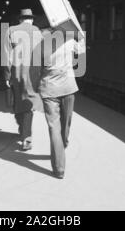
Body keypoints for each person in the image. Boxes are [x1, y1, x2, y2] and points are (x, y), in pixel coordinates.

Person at [39, 27, 85, 178]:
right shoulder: (69, 41)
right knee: (66, 123)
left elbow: (35, 69)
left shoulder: (41, 45)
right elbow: (81, 50)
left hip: (49, 89)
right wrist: (81, 34)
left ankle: (59, 167)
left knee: (54, 128)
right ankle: (62, 149)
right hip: (68, 88)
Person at [3, 9, 42, 151]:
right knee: (28, 103)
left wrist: (7, 76)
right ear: (31, 19)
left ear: (20, 19)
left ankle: (22, 129)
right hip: (33, 73)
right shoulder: (37, 31)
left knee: (18, 101)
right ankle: (26, 137)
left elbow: (6, 55)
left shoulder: (11, 30)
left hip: (16, 72)